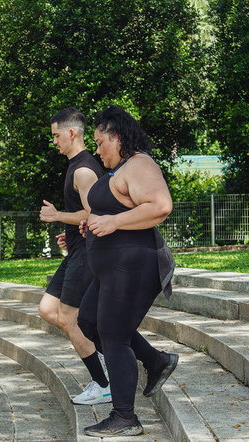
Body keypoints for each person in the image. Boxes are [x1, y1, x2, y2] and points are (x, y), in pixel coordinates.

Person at [77, 105, 178, 438]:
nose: (97, 149)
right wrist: (92, 224)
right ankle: (155, 360)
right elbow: (116, 209)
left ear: (117, 137)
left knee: (114, 337)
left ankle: (125, 417)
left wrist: (113, 222)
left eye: (100, 142)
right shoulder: (119, 170)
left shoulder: (140, 165)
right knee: (89, 322)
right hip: (114, 267)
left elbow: (161, 206)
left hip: (134, 265)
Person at [38, 107, 110, 405]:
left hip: (88, 253)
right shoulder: (75, 166)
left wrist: (57, 216)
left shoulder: (83, 169)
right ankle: (103, 357)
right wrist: (67, 226)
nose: (54, 141)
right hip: (76, 249)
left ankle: (103, 383)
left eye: (56, 135)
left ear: (71, 133)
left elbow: (95, 212)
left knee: (69, 317)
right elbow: (82, 215)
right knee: (47, 309)